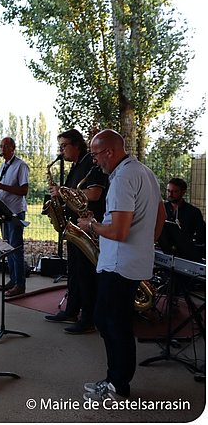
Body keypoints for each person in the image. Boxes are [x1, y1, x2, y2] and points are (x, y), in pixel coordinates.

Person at [77, 129, 165, 402]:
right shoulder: (144, 172)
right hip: (130, 261)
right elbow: (160, 213)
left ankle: (118, 384)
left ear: (110, 152)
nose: (95, 160)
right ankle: (115, 380)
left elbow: (119, 231)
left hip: (118, 265)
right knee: (111, 320)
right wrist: (147, 242)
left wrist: (90, 224)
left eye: (95, 154)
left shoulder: (123, 178)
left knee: (113, 324)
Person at [44, 128, 108, 334]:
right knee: (74, 272)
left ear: (76, 144)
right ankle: (71, 310)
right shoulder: (75, 166)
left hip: (88, 227)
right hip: (74, 227)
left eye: (64, 146)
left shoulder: (91, 162)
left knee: (86, 274)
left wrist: (63, 192)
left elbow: (95, 193)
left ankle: (88, 318)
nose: (61, 151)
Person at [0, 137, 29, 296]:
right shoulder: (3, 166)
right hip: (3, 212)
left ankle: (20, 284)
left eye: (6, 146)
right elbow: (3, 189)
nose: (2, 149)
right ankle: (13, 280)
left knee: (16, 249)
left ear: (13, 147)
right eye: (1, 146)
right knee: (8, 249)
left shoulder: (21, 165)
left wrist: (0, 186)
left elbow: (23, 190)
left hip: (15, 211)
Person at [164, 177, 205, 262]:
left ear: (183, 192)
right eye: (168, 191)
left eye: (174, 191)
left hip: (186, 255)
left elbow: (202, 234)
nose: (170, 194)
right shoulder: (162, 208)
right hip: (164, 250)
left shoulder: (193, 212)